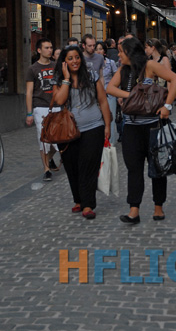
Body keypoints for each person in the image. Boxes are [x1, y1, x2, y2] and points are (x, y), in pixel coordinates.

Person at [107, 37, 176, 224]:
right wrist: (131, 96)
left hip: (153, 126)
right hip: (131, 127)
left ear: (130, 52)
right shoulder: (123, 70)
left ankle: (158, 207)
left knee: (158, 167)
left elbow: (175, 79)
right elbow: (110, 88)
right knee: (134, 169)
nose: (119, 55)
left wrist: (167, 106)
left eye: (121, 52)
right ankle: (134, 209)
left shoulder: (149, 65)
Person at [52, 44, 111, 218]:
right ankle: (78, 200)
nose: (75, 61)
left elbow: (103, 101)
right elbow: (59, 100)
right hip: (67, 130)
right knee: (72, 167)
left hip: (93, 126)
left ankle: (88, 204)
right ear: (64, 62)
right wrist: (66, 78)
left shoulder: (91, 76)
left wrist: (107, 126)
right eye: (70, 58)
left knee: (88, 166)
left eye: (77, 57)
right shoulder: (58, 79)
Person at [25, 39, 59, 181]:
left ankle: (49, 158)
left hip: (56, 106)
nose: (50, 50)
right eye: (46, 47)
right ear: (39, 50)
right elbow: (29, 91)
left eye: (51, 47)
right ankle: (46, 169)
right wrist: (29, 113)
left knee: (58, 140)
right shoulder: (33, 69)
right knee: (44, 139)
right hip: (40, 106)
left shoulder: (56, 66)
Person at [95, 40, 119, 145]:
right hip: (96, 96)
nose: (98, 51)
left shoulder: (111, 63)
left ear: (104, 51)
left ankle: (111, 144)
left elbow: (116, 77)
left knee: (110, 119)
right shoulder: (91, 64)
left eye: (100, 49)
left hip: (109, 95)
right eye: (96, 49)